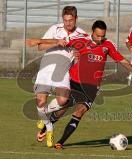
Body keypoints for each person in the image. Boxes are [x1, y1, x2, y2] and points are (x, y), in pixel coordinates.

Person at [33, 20, 132, 149]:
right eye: (98, 35)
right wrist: (40, 42)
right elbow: (62, 43)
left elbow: (122, 60)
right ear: (92, 32)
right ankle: (45, 128)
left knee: (80, 111)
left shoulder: (108, 45)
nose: (100, 39)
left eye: (103, 36)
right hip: (74, 82)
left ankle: (60, 142)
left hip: (92, 88)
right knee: (63, 109)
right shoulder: (81, 40)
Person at [26, 6, 86, 147]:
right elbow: (40, 47)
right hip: (46, 69)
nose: (68, 23)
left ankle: (44, 115)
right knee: (40, 102)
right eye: (65, 20)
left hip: (63, 70)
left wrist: (79, 55)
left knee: (63, 100)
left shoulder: (82, 35)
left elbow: (84, 54)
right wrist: (56, 41)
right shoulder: (55, 29)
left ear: (76, 19)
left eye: (70, 20)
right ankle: (49, 128)